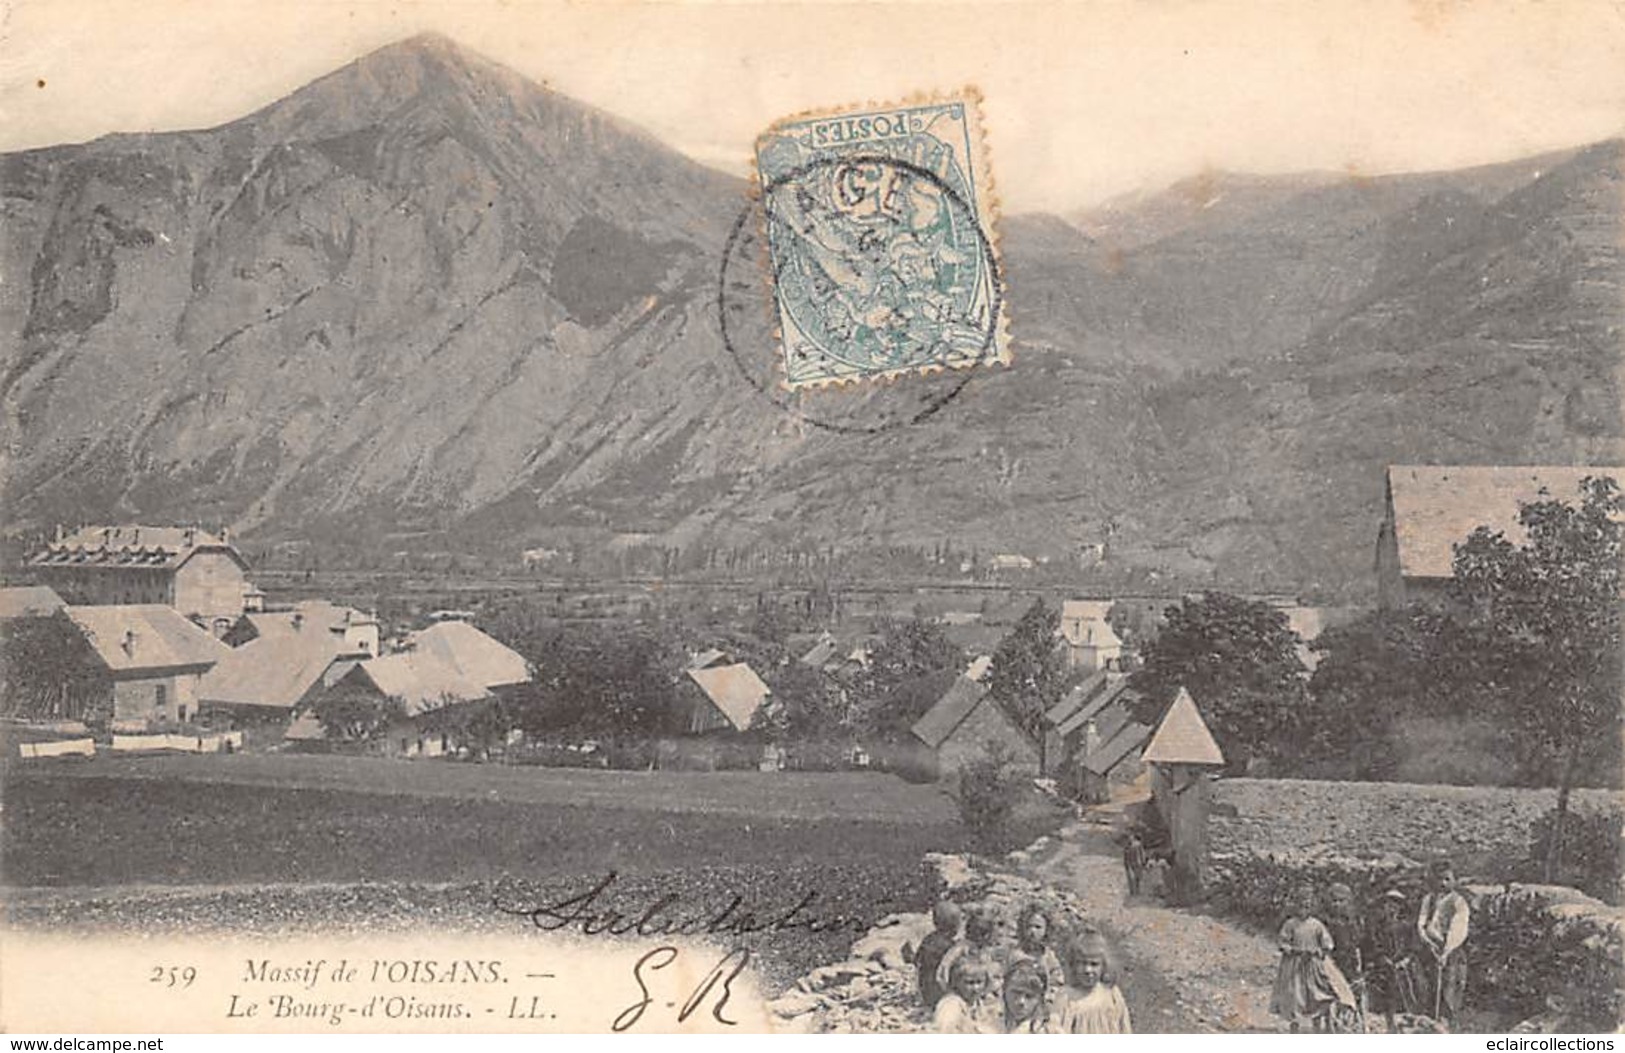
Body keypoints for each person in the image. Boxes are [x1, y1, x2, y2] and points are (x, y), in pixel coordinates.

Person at [1269, 884, 1358, 1032]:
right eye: (1301, 905)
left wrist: (1320, 950)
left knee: (1317, 993)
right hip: (1294, 965)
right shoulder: (1291, 924)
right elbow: (1282, 941)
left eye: (1308, 905)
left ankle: (1318, 1026)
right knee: (1295, 995)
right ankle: (1294, 1027)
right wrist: (1291, 950)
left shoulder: (1317, 924)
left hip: (1312, 964)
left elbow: (1328, 942)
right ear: (1296, 906)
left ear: (1312, 907)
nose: (1304, 908)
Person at [1417, 861, 1471, 1026]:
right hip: (1431, 946)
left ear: (1455, 880)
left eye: (1447, 879)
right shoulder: (1429, 899)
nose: (1443, 883)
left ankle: (1448, 1019)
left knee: (1450, 984)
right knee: (1430, 982)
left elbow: (1458, 928)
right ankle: (1431, 1017)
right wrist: (1427, 940)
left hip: (1451, 948)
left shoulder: (1459, 902)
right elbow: (1422, 921)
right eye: (1439, 879)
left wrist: (1446, 950)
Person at [1057, 928, 1133, 1033]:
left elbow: (1125, 1029)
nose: (1088, 970)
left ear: (1104, 966)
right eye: (1082, 963)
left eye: (1094, 964)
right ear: (1073, 965)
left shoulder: (1111, 994)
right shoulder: (1066, 997)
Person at [1372, 887, 1425, 1023]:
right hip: (1386, 965)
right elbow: (1375, 945)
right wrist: (1383, 958)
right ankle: (1389, 1017)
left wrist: (1406, 960)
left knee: (1411, 987)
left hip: (1407, 965)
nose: (1391, 908)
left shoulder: (1407, 926)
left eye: (1395, 904)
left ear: (1401, 906)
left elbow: (1414, 946)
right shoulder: (1379, 927)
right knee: (1386, 990)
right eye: (1388, 904)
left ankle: (1412, 1015)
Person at [1006, 902, 1068, 1007]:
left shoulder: (1049, 956)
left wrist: (1050, 997)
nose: (1032, 931)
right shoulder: (1014, 955)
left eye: (1038, 927)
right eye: (1029, 926)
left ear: (1046, 930)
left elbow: (1057, 981)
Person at [909, 900, 962, 1009]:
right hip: (940, 991)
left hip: (925, 990)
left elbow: (916, 960)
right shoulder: (949, 946)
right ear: (955, 926)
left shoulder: (928, 939)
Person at [936, 905, 998, 998]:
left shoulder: (984, 951)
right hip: (961, 989)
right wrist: (948, 990)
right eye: (979, 933)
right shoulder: (961, 948)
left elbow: (989, 972)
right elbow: (944, 968)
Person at [933, 955, 1000, 1034]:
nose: (975, 988)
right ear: (957, 982)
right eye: (970, 983)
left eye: (979, 982)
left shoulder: (978, 1004)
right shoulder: (951, 1006)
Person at [999, 959, 1052, 1033]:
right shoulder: (985, 1022)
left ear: (1040, 999)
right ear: (1004, 990)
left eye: (1029, 996)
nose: (1021, 1001)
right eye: (1016, 993)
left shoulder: (1048, 1031)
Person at [1123, 832, 1149, 897]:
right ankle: (1137, 891)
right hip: (1138, 863)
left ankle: (1132, 892)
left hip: (1131, 863)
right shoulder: (1139, 845)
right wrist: (1144, 862)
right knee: (1137, 878)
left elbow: (1125, 855)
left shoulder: (1129, 845)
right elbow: (1142, 854)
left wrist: (1126, 864)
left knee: (1131, 878)